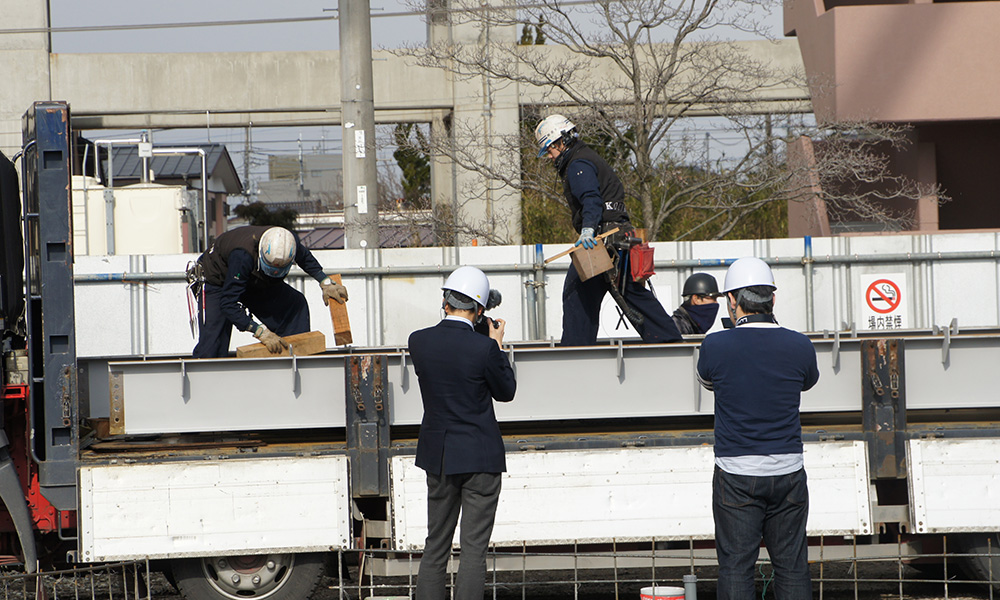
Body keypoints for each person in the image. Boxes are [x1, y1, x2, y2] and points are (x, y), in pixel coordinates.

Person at [696, 257, 819, 599]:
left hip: (736, 475)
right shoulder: (800, 345)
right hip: (789, 472)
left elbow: (707, 380)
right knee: (792, 566)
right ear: (773, 300)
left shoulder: (715, 345)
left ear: (732, 301)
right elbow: (807, 382)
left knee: (736, 566)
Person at [408, 266, 517, 600]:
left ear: (445, 302)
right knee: (473, 550)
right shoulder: (484, 349)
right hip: (480, 457)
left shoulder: (418, 341)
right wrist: (496, 345)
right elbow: (506, 391)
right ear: (480, 310)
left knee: (436, 545)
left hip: (438, 455)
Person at [534, 114, 681, 346]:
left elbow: (591, 200)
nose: (550, 158)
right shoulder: (588, 157)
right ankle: (670, 342)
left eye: (549, 151)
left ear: (559, 142)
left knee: (576, 295)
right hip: (620, 239)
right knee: (633, 294)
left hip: (603, 242)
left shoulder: (577, 164)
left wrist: (588, 231)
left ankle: (576, 355)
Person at [192, 225, 348, 358]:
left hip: (255, 276)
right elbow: (228, 303)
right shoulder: (242, 256)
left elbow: (305, 258)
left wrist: (325, 282)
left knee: (295, 305)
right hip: (217, 281)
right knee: (213, 344)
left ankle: (294, 361)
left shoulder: (288, 242)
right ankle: (204, 384)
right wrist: (260, 332)